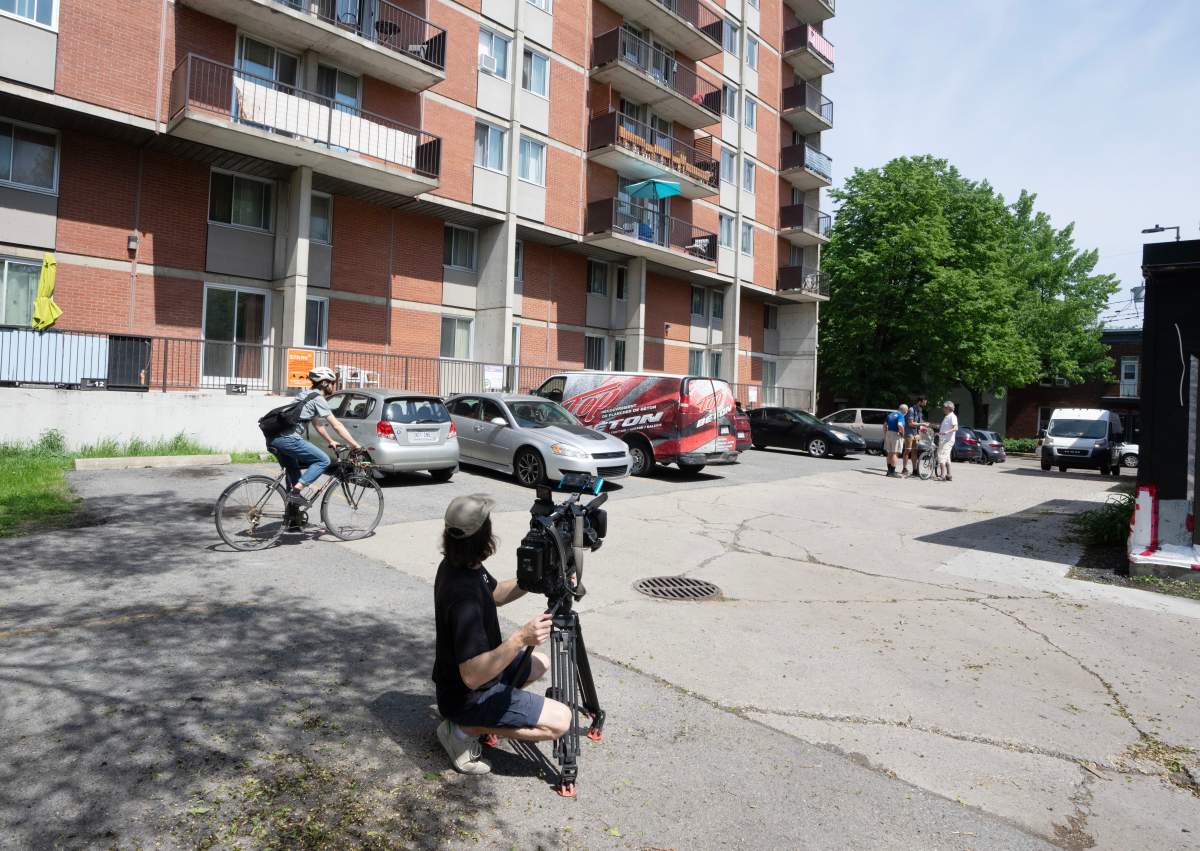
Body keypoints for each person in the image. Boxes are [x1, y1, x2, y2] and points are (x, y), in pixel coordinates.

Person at [432, 494, 572, 775]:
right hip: (468, 694)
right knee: (561, 721)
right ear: (481, 535)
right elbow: (472, 676)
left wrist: (532, 579)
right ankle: (462, 728)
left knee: (539, 662)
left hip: (469, 682)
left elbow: (494, 594)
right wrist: (521, 637)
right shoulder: (463, 597)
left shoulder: (460, 565)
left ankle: (484, 717)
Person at [270, 366, 362, 516]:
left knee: (294, 474)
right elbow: (336, 425)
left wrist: (330, 440)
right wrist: (355, 445)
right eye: (333, 382)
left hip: (275, 439)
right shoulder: (318, 398)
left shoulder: (306, 395)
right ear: (325, 383)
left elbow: (317, 424)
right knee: (323, 460)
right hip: (289, 439)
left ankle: (292, 519)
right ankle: (295, 493)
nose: (334, 385)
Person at [903, 395, 927, 476]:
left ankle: (915, 470)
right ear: (920, 401)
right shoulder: (911, 410)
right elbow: (910, 423)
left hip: (916, 433)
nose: (926, 402)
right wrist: (922, 424)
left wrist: (925, 425)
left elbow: (919, 421)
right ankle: (904, 468)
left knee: (915, 451)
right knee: (908, 450)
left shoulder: (920, 410)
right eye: (925, 401)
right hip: (909, 432)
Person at [884, 404, 908, 478]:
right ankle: (893, 472)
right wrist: (903, 433)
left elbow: (884, 425)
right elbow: (900, 425)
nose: (907, 412)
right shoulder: (901, 415)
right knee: (895, 453)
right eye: (907, 410)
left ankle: (889, 471)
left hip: (888, 433)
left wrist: (886, 434)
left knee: (890, 453)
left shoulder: (890, 414)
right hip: (896, 434)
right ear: (904, 410)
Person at [937, 400, 958, 481]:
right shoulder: (947, 416)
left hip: (947, 440)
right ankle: (949, 475)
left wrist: (947, 432)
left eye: (944, 407)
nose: (943, 409)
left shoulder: (952, 416)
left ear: (949, 408)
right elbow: (942, 428)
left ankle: (942, 475)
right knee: (947, 457)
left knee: (941, 456)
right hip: (944, 439)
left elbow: (956, 428)